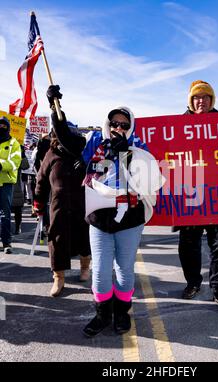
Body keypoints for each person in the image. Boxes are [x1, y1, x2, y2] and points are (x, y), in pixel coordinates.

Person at [46, 84, 163, 336]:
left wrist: (127, 156)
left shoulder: (140, 148)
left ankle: (122, 312)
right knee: (99, 270)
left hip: (129, 218)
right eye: (114, 123)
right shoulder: (94, 142)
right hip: (99, 217)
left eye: (123, 124)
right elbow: (66, 138)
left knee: (124, 267)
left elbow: (151, 182)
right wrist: (55, 109)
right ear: (107, 124)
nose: (118, 128)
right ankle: (102, 313)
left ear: (130, 125)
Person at [175, 80, 218, 311]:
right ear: (191, 101)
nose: (201, 101)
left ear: (212, 101)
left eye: (206, 97)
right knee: (188, 245)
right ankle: (193, 283)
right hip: (190, 194)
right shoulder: (177, 125)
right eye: (197, 98)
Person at [33, 125, 91, 297]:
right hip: (59, 206)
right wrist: (38, 203)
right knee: (57, 240)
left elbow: (99, 174)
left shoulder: (83, 152)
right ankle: (58, 277)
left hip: (82, 204)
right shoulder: (51, 154)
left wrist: (86, 166)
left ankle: (85, 267)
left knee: (83, 236)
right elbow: (41, 180)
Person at [0, 116, 22, 254]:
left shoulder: (14, 143)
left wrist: (1, 165)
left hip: (6, 183)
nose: (1, 128)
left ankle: (7, 242)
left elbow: (15, 162)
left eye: (4, 126)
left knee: (4, 214)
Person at [12, 146, 29, 234]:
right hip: (4, 184)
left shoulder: (16, 151)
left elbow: (25, 166)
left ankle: (18, 227)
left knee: (17, 209)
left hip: (16, 187)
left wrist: (22, 155)